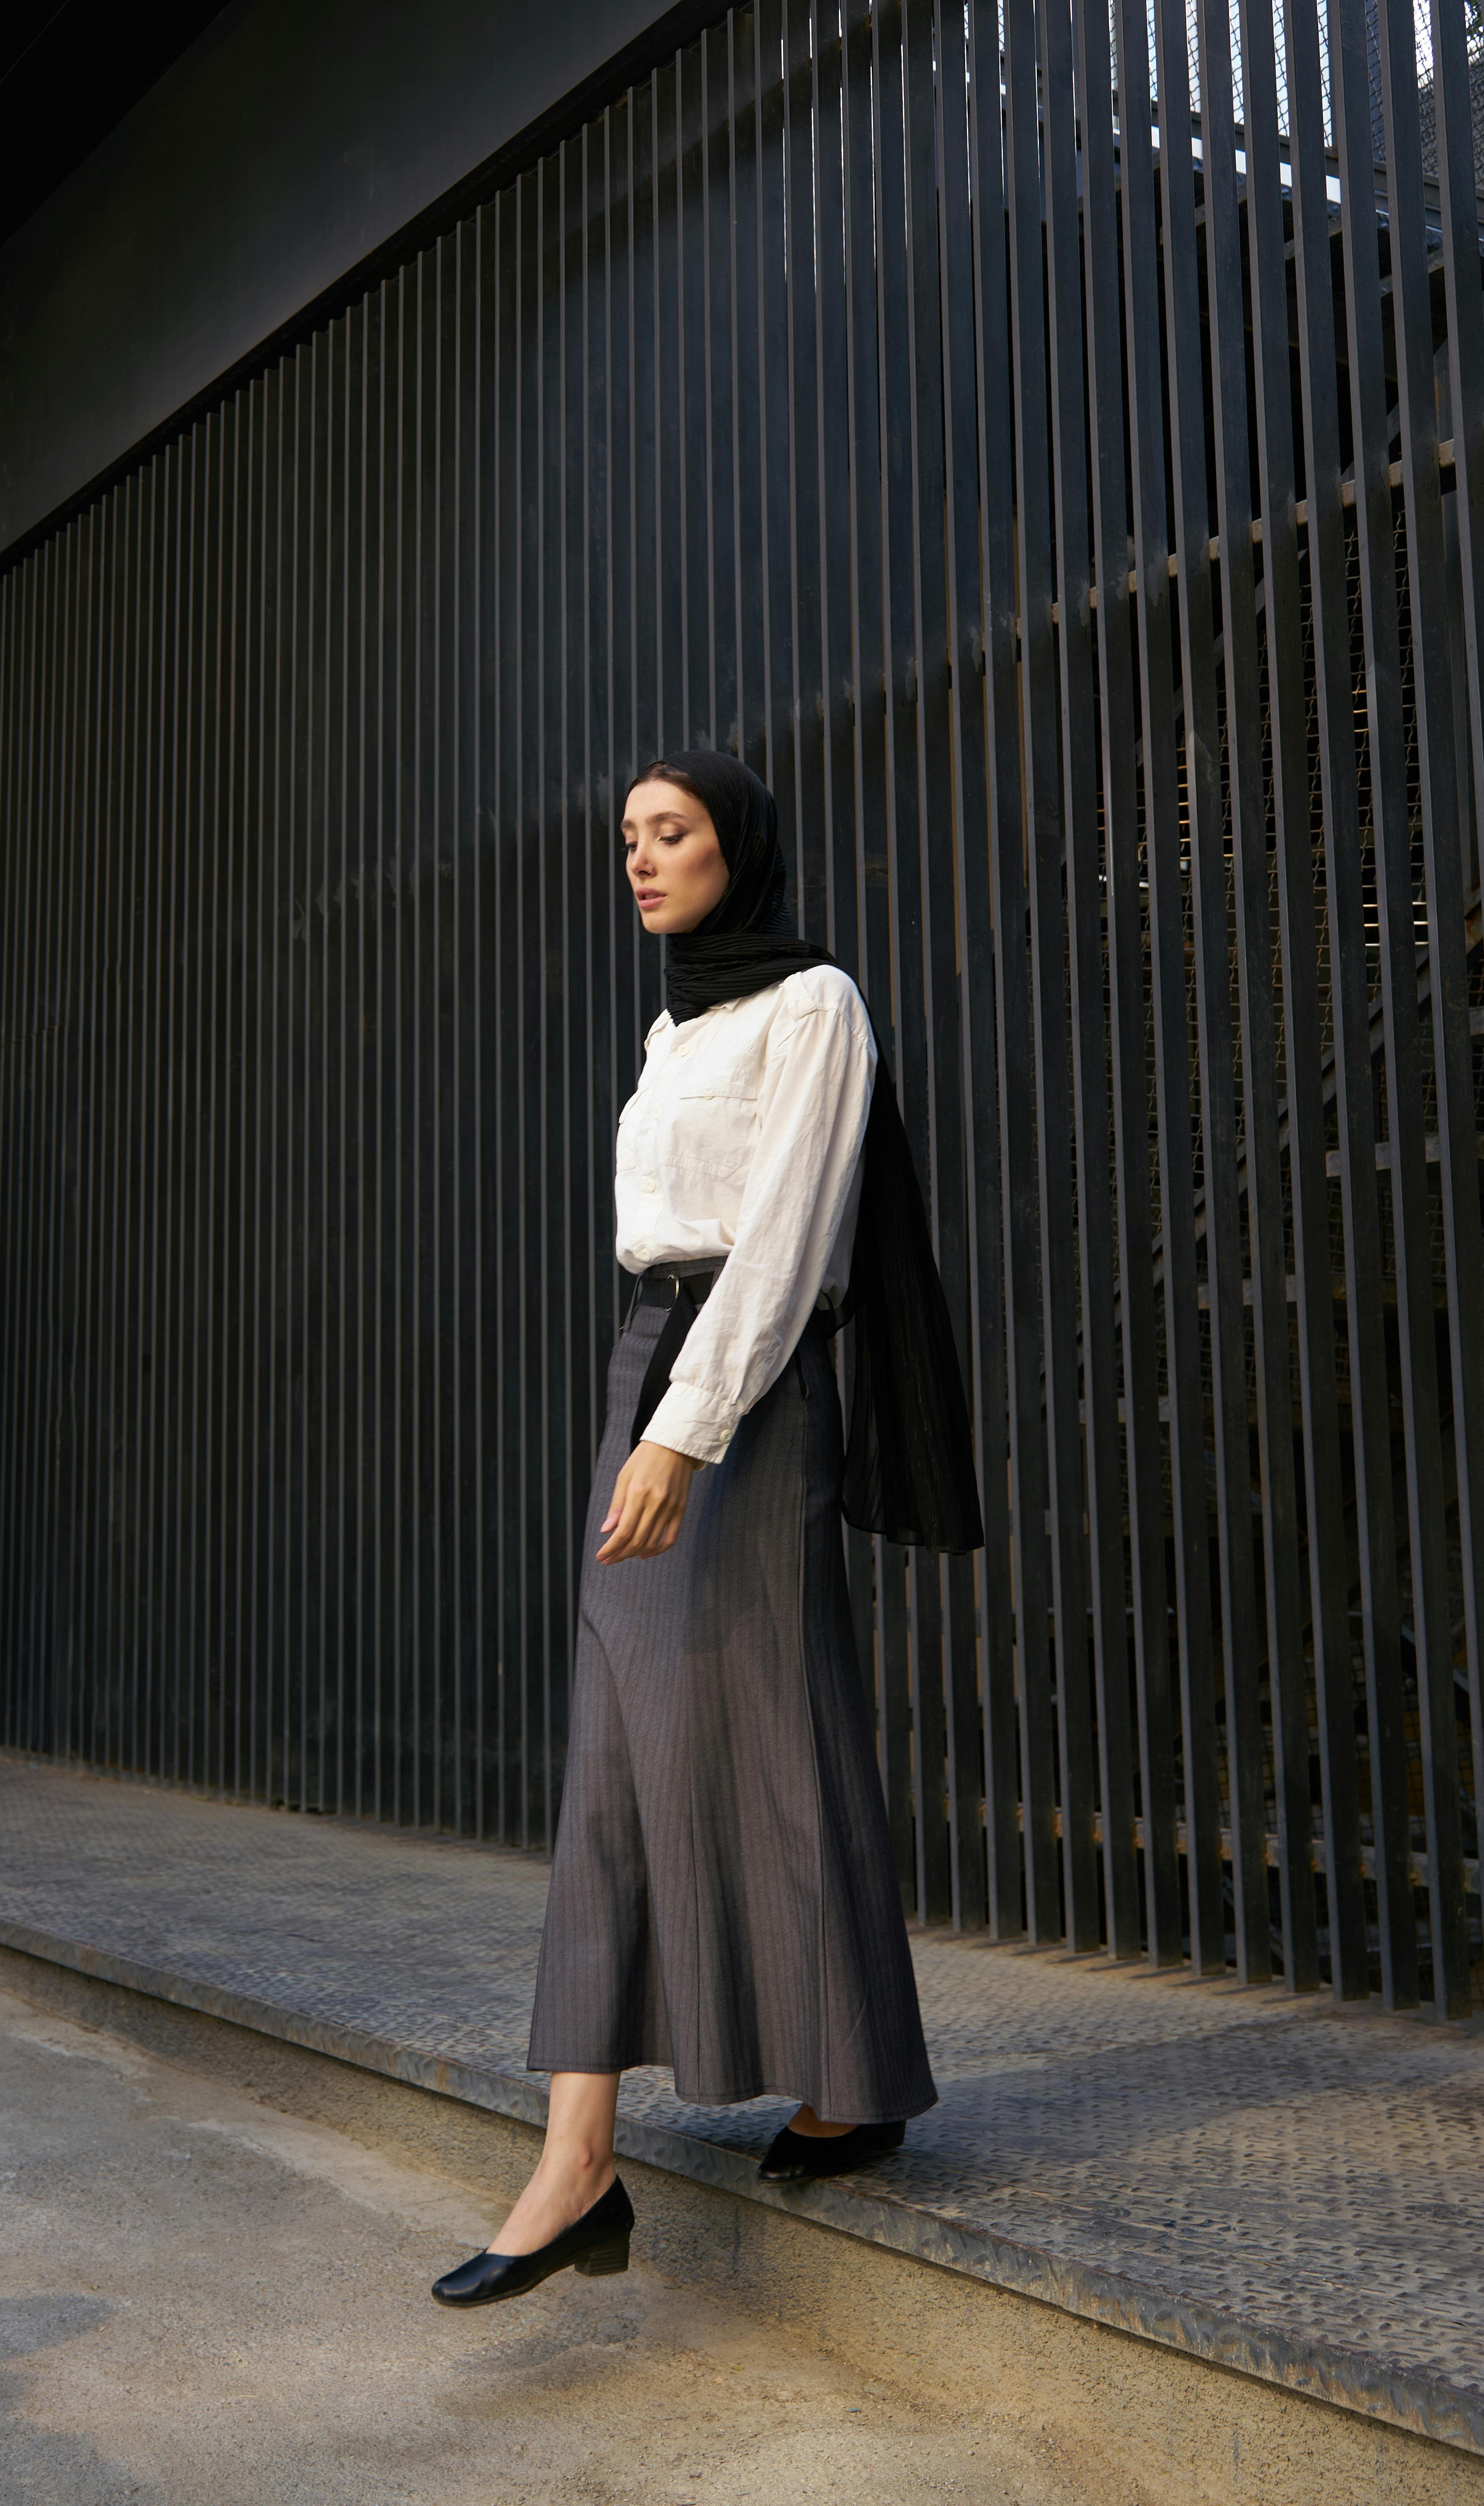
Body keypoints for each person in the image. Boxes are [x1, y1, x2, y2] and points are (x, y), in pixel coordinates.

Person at [432, 747, 979, 2312]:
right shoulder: (674, 1024)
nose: (640, 857)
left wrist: (685, 1430)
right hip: (649, 1359)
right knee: (614, 1752)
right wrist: (652, 1410)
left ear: (736, 845)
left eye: (669, 832)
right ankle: (581, 2151)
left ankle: (836, 2082)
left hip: (744, 1386)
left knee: (773, 1732)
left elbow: (789, 1240)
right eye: (627, 836)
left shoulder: (812, 1003)